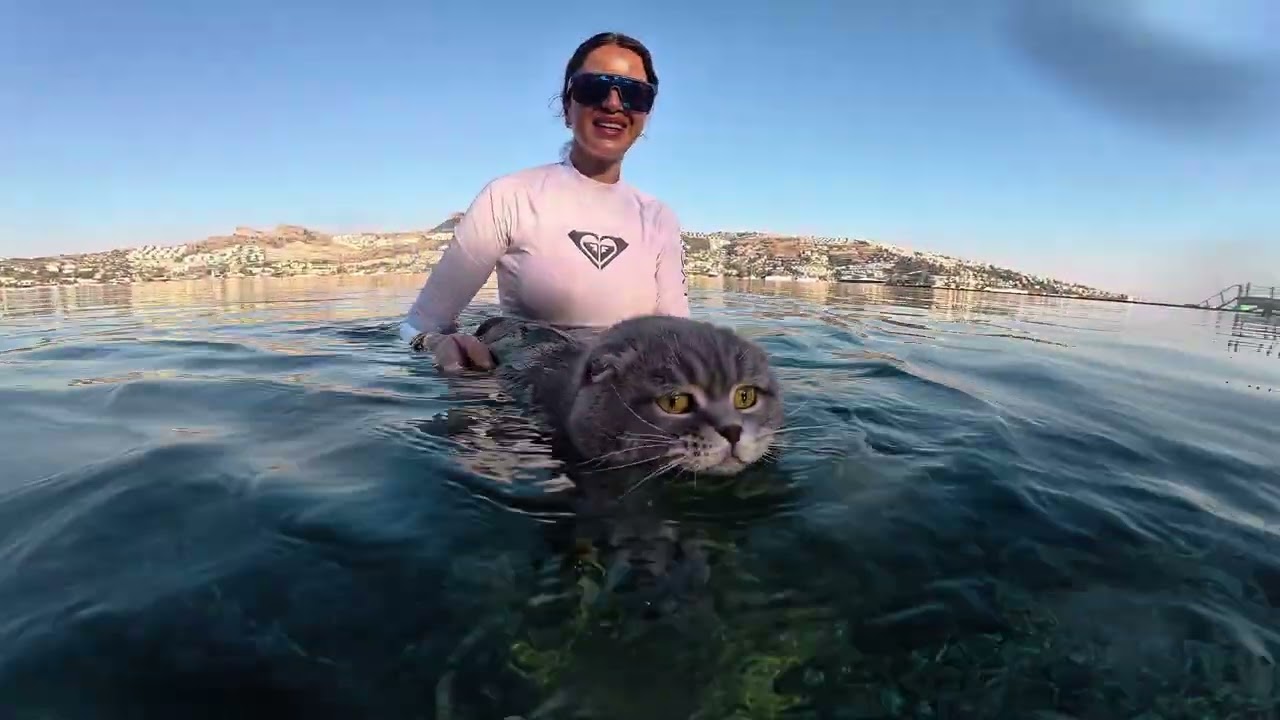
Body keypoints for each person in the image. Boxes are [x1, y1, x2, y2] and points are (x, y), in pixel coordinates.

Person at [399, 31, 690, 373]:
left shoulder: (659, 218)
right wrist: (437, 344)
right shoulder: (509, 198)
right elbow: (416, 328)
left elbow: (682, 344)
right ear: (567, 108)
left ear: (644, 116)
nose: (614, 104)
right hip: (525, 409)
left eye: (634, 94)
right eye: (594, 88)